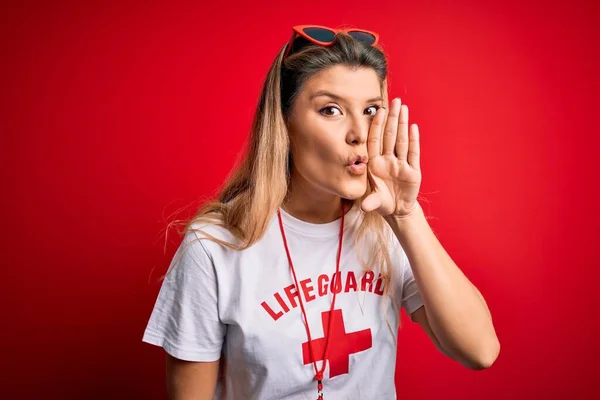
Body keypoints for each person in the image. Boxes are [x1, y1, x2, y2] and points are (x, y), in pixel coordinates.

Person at [142, 25, 500, 400]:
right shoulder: (214, 246)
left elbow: (480, 351)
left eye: (371, 110)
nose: (360, 133)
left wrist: (407, 216)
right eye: (331, 110)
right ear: (285, 124)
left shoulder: (386, 230)